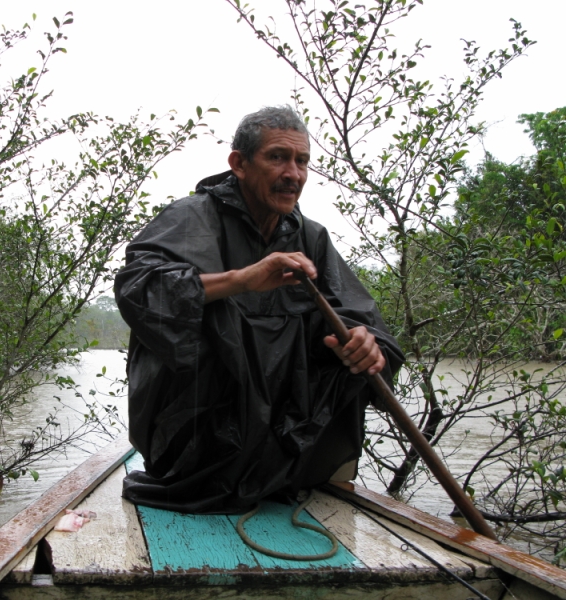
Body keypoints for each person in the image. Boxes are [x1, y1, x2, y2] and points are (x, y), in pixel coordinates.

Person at [114, 106, 404, 514]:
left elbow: (360, 315)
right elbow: (139, 291)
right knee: (210, 312)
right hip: (198, 434)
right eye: (277, 157)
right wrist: (242, 280)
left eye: (302, 161)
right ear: (239, 164)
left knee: (348, 341)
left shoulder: (310, 237)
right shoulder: (191, 217)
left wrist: (363, 342)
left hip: (284, 438)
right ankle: (215, 475)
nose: (293, 174)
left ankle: (288, 468)